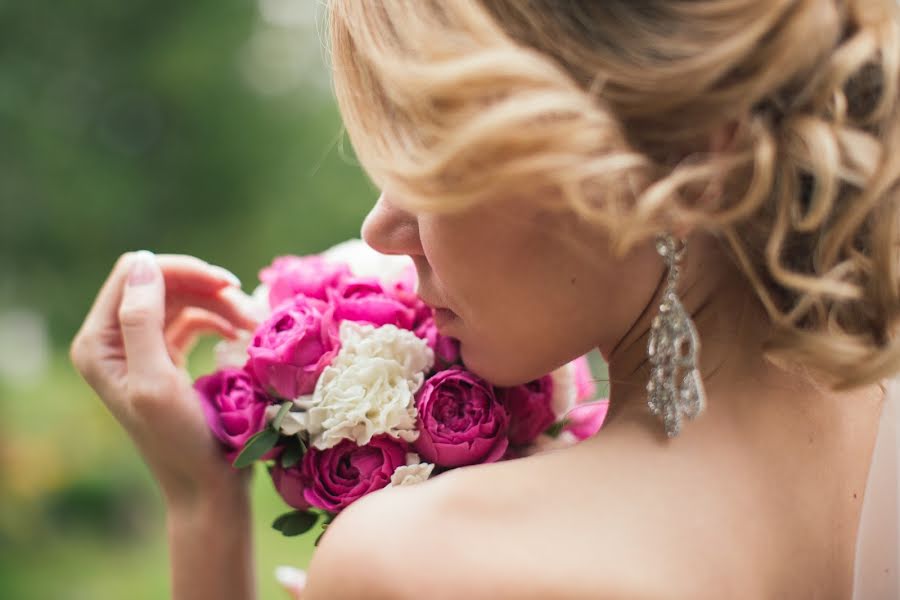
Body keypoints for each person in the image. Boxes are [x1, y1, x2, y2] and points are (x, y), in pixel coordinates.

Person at [70, 1, 900, 598]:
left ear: (678, 167)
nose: (382, 228)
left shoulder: (433, 564)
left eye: (432, 159)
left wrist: (199, 511)